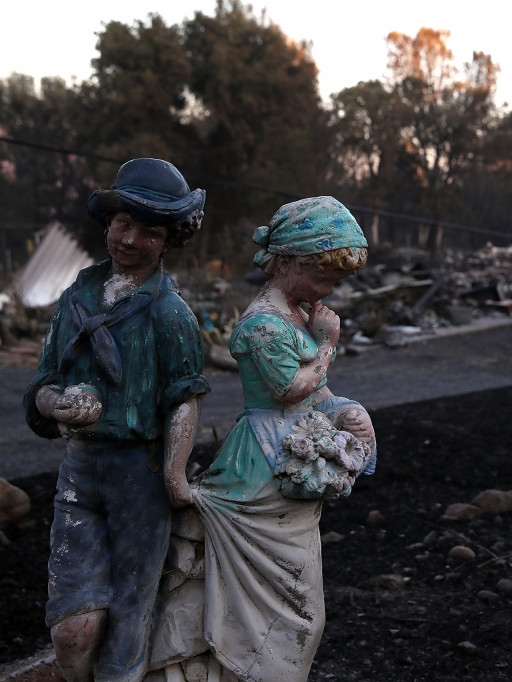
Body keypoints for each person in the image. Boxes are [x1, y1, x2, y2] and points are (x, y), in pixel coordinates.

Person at [147, 196, 376, 681]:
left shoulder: (298, 315)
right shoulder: (261, 325)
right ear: (288, 262)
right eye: (323, 275)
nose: (329, 288)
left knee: (303, 605)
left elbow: (319, 395)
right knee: (286, 606)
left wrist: (347, 412)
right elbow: (290, 389)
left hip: (290, 460)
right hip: (262, 465)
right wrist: (330, 345)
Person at [24, 158, 210, 682]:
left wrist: (175, 474)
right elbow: (42, 379)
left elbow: (184, 399)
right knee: (73, 629)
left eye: (148, 232)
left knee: (131, 613)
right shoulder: (75, 299)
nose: (130, 240)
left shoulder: (170, 313)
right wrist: (54, 403)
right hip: (81, 470)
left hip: (140, 474)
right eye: (123, 225)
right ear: (107, 224)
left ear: (167, 241)